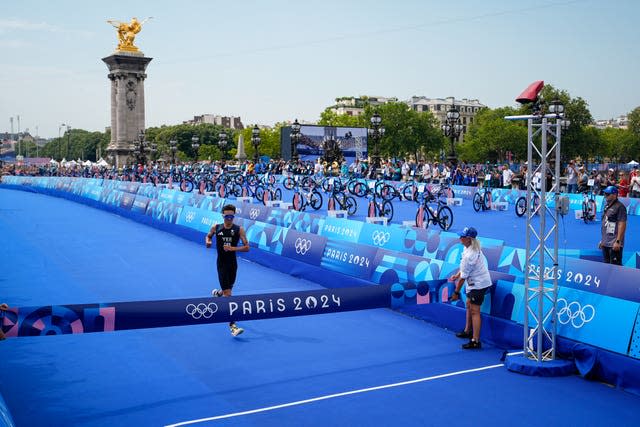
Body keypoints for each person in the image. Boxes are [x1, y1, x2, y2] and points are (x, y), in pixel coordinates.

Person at [205, 204, 250, 336]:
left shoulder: (239, 230)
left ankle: (218, 294)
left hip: (233, 264)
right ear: (222, 215)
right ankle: (232, 325)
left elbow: (247, 247)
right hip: (222, 264)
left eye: (231, 216)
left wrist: (233, 249)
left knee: (227, 290)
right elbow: (208, 236)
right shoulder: (216, 227)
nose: (229, 218)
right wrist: (208, 242)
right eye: (227, 216)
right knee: (229, 294)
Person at [448, 227, 493, 349]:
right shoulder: (470, 247)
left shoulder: (470, 255)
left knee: (475, 311)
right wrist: (457, 275)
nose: (459, 238)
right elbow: (463, 270)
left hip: (479, 284)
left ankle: (475, 341)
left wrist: (456, 292)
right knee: (468, 304)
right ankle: (468, 331)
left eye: (462, 236)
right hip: (476, 281)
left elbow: (463, 277)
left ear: (468, 239)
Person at [598, 186, 627, 265]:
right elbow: (606, 223)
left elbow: (622, 224)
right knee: (606, 265)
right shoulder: (606, 205)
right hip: (605, 242)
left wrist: (618, 241)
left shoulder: (620, 207)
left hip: (614, 243)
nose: (605, 195)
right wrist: (602, 240)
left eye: (607, 194)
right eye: (604, 193)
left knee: (616, 268)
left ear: (614, 195)